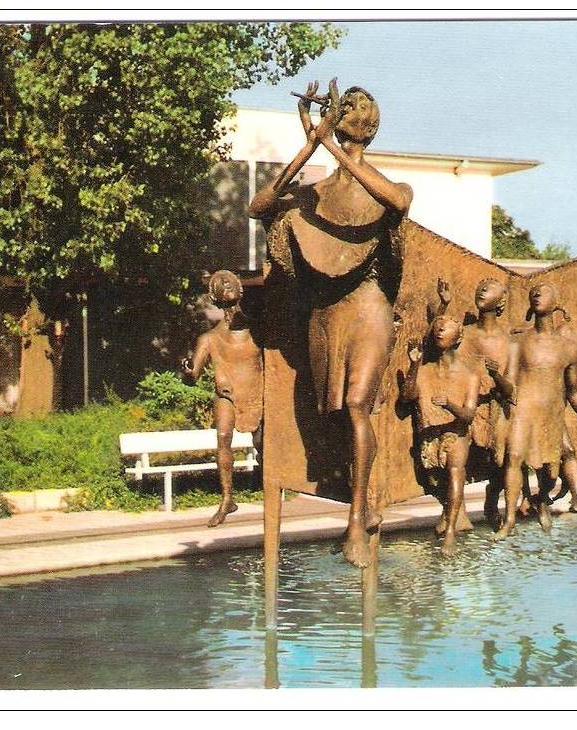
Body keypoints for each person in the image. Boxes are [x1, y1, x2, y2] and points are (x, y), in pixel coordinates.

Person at [248, 79, 413, 568]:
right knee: (337, 412)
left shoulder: (393, 187)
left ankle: (356, 520)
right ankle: (363, 491)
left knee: (359, 403)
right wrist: (308, 145)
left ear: (370, 125)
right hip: (327, 313)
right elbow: (258, 207)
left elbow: (397, 205)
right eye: (347, 106)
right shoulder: (312, 196)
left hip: (368, 307)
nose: (353, 112)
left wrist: (331, 149)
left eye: (360, 107)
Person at [495, 283, 577, 540]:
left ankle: (546, 501)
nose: (537, 294)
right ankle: (508, 520)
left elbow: (573, 392)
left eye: (543, 291)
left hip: (551, 416)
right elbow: (509, 385)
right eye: (533, 293)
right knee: (514, 458)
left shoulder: (568, 348)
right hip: (523, 411)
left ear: (557, 303)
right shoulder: (518, 341)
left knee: (552, 473)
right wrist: (495, 376)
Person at [182, 271, 264, 527]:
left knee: (263, 443)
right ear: (214, 296)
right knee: (223, 438)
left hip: (257, 394)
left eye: (229, 280)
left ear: (241, 290)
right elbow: (191, 376)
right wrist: (185, 370)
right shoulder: (208, 339)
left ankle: (272, 484)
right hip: (226, 395)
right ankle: (228, 497)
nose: (225, 283)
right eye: (219, 283)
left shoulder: (257, 330)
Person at [433, 277, 514, 532]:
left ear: (500, 301)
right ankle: (456, 511)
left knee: (502, 460)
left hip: (495, 406)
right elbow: (435, 340)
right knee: (456, 456)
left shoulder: (508, 342)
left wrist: (496, 375)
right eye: (480, 288)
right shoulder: (464, 333)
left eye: (488, 290)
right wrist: (443, 306)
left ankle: (492, 498)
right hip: (465, 405)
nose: (481, 291)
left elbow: (511, 388)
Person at [401, 313, 483, 556]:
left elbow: (468, 415)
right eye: (437, 327)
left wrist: (449, 405)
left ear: (458, 338)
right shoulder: (424, 370)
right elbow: (407, 397)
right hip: (429, 434)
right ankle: (452, 515)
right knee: (434, 481)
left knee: (455, 471)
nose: (439, 331)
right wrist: (414, 365)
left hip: (455, 433)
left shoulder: (469, 375)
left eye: (445, 328)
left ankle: (449, 533)